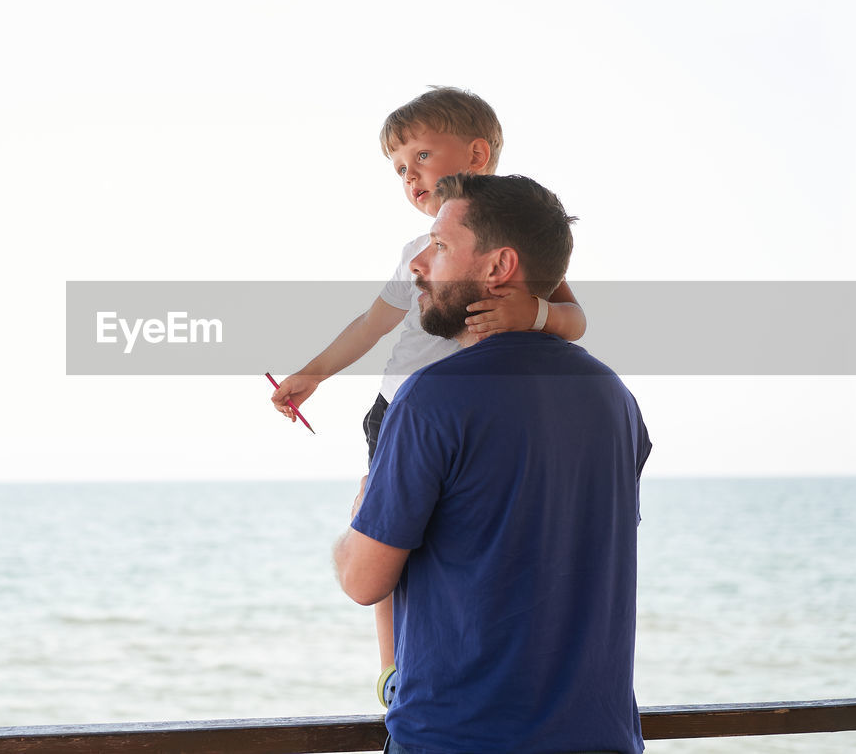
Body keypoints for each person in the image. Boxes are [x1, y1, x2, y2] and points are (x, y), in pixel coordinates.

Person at [270, 87, 588, 673]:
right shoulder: (417, 252)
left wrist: (533, 315)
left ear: (476, 154)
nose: (408, 176)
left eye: (419, 156)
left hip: (470, 416)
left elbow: (576, 321)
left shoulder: (514, 237)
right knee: (387, 538)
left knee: (449, 540)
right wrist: (313, 374)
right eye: (397, 168)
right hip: (398, 409)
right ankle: (393, 667)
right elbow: (372, 323)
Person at [334, 173, 651, 754]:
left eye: (441, 246)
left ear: (498, 266)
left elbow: (362, 580)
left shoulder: (431, 397)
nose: (419, 265)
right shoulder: (613, 396)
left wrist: (362, 510)